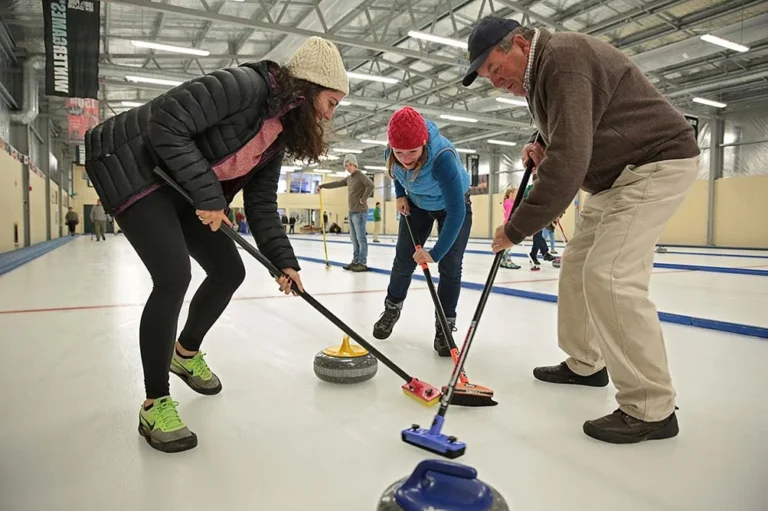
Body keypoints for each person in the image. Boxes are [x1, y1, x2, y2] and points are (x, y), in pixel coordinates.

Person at [84, 36, 349, 453]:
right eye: (332, 101)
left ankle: (185, 351)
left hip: (177, 182)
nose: (332, 113)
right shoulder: (245, 85)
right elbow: (166, 123)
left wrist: (284, 262)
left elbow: (261, 203)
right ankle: (155, 402)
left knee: (229, 271)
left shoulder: (277, 133)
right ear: (310, 87)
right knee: (173, 276)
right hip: (132, 168)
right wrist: (209, 197)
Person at [464, 16, 700, 443]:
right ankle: (586, 364)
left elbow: (572, 158)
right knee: (575, 267)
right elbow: (569, 132)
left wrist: (516, 228)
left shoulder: (564, 60)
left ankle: (652, 407)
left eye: (497, 70)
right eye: (488, 78)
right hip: (612, 179)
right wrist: (542, 145)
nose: (496, 82)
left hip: (654, 164)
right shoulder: (541, 75)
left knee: (609, 275)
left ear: (519, 44)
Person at [372, 106, 472, 356]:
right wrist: (400, 195)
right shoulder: (392, 153)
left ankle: (445, 325)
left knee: (450, 265)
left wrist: (434, 253)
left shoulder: (442, 158)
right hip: (417, 205)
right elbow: (396, 173)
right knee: (403, 259)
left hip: (453, 207)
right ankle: (391, 308)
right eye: (399, 152)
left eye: (412, 152)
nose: (405, 158)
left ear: (424, 143)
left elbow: (457, 212)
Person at [318, 154, 374, 272]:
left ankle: (362, 263)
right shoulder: (349, 178)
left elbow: (371, 185)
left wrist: (364, 199)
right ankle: (355, 261)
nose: (348, 167)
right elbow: (337, 183)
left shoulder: (360, 175)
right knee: (354, 239)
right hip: (352, 212)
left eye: (350, 165)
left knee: (361, 238)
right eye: (346, 165)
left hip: (360, 212)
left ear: (355, 165)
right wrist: (322, 186)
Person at [500, 187, 520, 269]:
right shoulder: (509, 203)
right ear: (511, 194)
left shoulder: (510, 202)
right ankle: (508, 261)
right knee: (509, 245)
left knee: (507, 245)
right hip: (509, 225)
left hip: (508, 224)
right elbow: (509, 215)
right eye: (516, 193)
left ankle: (503, 261)